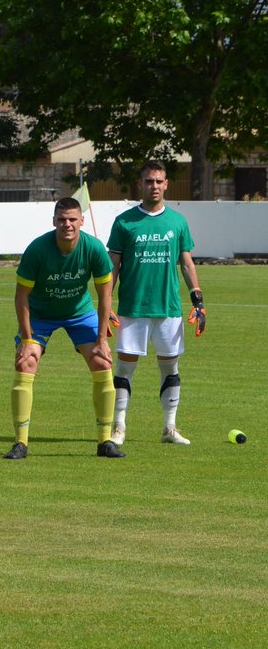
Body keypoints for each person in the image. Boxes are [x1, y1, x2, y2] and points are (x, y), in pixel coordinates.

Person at [2, 197, 121, 459]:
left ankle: (105, 442)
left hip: (79, 313)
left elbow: (105, 296)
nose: (67, 224)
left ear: (81, 221)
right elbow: (21, 296)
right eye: (61, 220)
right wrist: (26, 338)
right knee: (26, 363)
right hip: (40, 314)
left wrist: (102, 339)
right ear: (54, 222)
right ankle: (21, 443)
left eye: (72, 220)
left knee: (102, 362)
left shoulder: (94, 248)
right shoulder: (37, 249)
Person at [106, 160, 205, 446]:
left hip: (168, 308)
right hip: (133, 308)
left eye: (159, 181)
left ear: (166, 184)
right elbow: (113, 265)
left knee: (170, 368)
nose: (155, 186)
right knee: (125, 369)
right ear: (140, 184)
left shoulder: (177, 222)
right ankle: (119, 427)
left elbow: (186, 262)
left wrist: (197, 297)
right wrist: (106, 302)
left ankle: (169, 428)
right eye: (149, 181)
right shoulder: (124, 221)